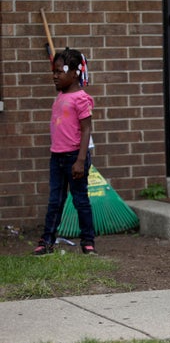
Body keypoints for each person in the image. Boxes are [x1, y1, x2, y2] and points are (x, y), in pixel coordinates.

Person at [33, 48, 97, 255]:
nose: (55, 76)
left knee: (80, 200)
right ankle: (47, 241)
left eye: (59, 71)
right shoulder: (60, 96)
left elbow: (86, 129)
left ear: (74, 73)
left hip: (74, 157)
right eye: (54, 71)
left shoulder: (80, 98)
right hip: (57, 156)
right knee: (55, 201)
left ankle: (88, 242)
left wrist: (80, 160)